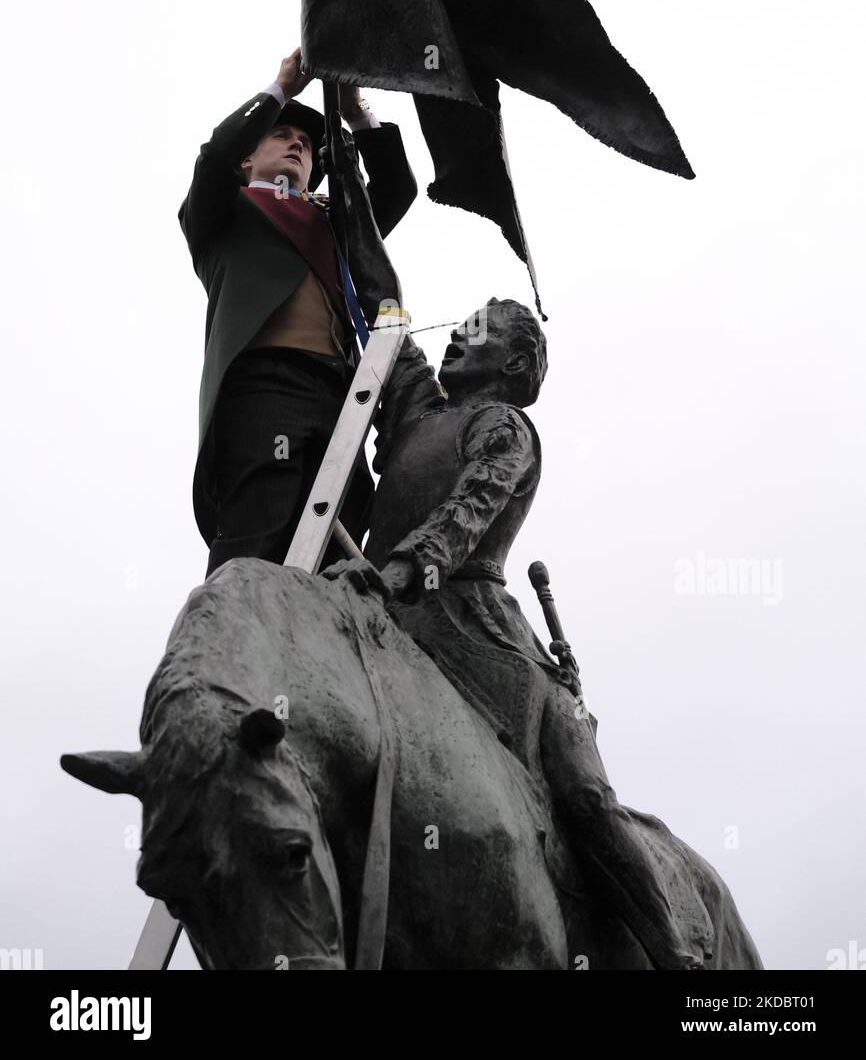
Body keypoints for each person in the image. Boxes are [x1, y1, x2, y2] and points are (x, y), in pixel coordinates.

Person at [363, 300, 715, 970]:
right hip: (388, 614)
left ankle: (673, 957)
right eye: (460, 326)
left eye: (478, 330)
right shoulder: (416, 412)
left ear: (516, 363)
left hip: (485, 638)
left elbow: (471, 508)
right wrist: (353, 204)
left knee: (585, 798)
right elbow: (388, 316)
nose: (459, 336)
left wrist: (409, 563)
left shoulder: (507, 429)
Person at [179, 48, 416, 576]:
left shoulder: (335, 220)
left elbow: (398, 189)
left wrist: (355, 109)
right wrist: (284, 86)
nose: (297, 144)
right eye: (282, 136)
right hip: (265, 387)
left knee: (342, 547)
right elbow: (213, 157)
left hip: (343, 393)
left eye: (307, 144)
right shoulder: (224, 211)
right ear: (248, 159)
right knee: (256, 539)